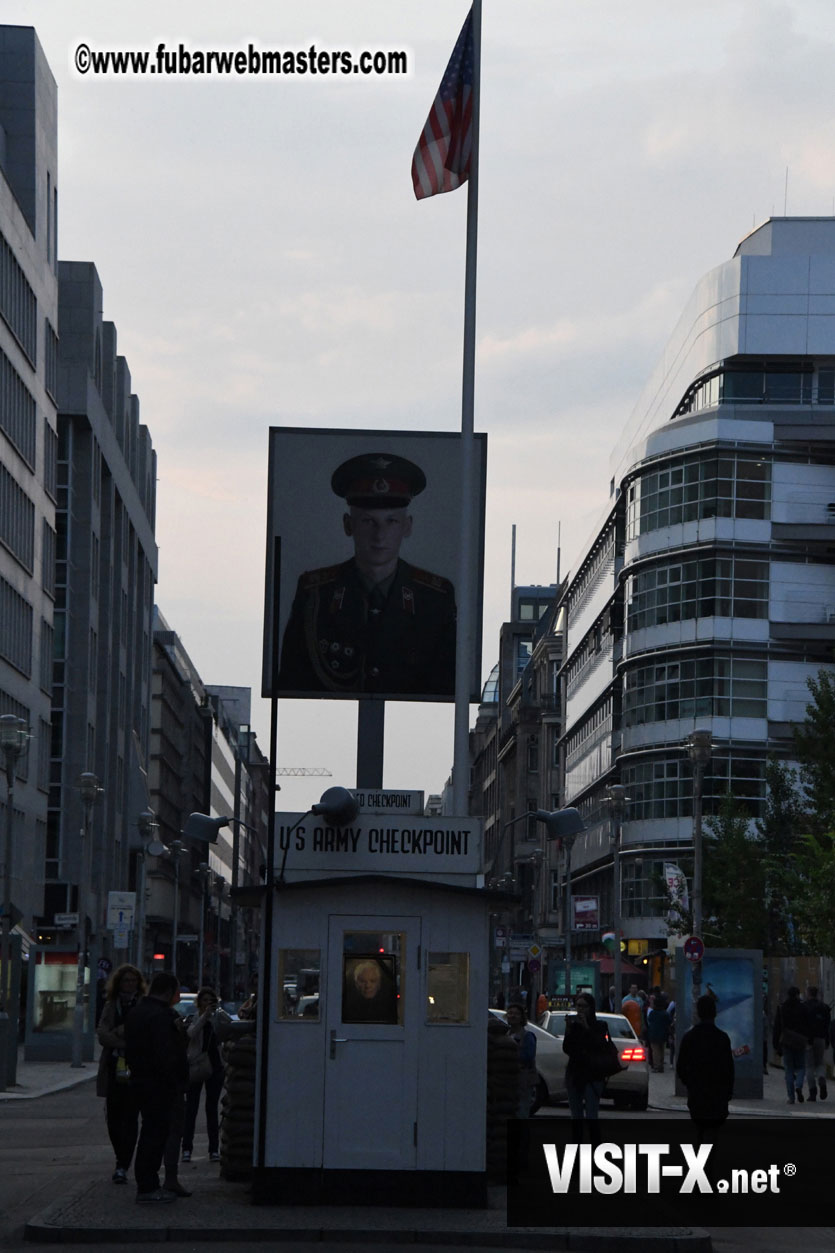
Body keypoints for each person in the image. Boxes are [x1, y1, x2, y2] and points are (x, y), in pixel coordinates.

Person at [277, 452, 456, 696]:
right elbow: (291, 682)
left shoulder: (434, 599)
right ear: (348, 525)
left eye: (391, 521)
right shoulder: (315, 595)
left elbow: (447, 685)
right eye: (368, 522)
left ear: (407, 526)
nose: (379, 535)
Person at [124, 970, 189, 1204]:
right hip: (159, 1084)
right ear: (170, 991)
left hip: (140, 1080)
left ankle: (148, 1183)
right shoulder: (162, 1016)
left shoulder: (137, 1012)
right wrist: (175, 1079)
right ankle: (148, 1186)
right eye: (177, 991)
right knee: (155, 1134)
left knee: (149, 1133)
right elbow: (167, 1054)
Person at [96, 963, 146, 1184]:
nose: (130, 984)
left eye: (133, 981)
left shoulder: (142, 1005)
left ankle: (123, 1164)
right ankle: (120, 1156)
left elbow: (141, 1034)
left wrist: (121, 1034)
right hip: (114, 1065)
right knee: (114, 1117)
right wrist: (121, 1039)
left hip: (136, 1067)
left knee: (131, 1116)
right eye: (126, 980)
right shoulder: (111, 1005)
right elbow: (103, 1034)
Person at [676, 994, 735, 1134]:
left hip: (698, 1093)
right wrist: (728, 1091)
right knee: (714, 1131)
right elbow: (729, 1068)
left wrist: (689, 1083)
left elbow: (680, 1066)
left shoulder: (689, 1037)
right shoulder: (722, 1038)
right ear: (714, 1013)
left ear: (698, 1013)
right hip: (717, 1094)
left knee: (701, 1130)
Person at [562, 993, 618, 1136]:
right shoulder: (574, 1027)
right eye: (578, 1006)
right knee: (576, 1116)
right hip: (575, 1074)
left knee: (592, 1116)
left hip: (593, 1076)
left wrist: (587, 1027)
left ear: (591, 1008)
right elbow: (567, 1049)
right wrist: (568, 1030)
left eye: (584, 1006)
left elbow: (600, 1045)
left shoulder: (600, 1026)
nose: (580, 1009)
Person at [181, 987, 225, 1163]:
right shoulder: (195, 1019)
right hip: (197, 1066)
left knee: (212, 1109)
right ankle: (186, 1148)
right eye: (205, 1001)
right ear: (199, 1003)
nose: (208, 1004)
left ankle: (214, 1149)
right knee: (191, 1108)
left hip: (215, 1068)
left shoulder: (218, 1018)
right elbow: (191, 1033)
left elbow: (227, 1031)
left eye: (211, 1001)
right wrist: (204, 1016)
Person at [772, 985, 808, 1105]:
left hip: (787, 1041)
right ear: (798, 995)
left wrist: (775, 1043)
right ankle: (798, 1085)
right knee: (802, 1067)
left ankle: (791, 1097)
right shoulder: (803, 1008)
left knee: (789, 1069)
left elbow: (777, 1027)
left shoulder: (782, 1008)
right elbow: (809, 1025)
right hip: (800, 1041)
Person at [505, 1002, 537, 1118]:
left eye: (516, 1014)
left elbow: (528, 1057)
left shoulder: (528, 1036)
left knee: (521, 1112)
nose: (512, 1016)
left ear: (522, 1018)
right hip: (509, 1080)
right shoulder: (505, 1035)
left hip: (523, 1081)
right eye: (510, 1013)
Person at [342, 958, 398, 1023]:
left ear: (379, 984)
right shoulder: (347, 1008)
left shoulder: (388, 1008)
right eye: (362, 981)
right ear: (356, 983)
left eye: (372, 981)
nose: (367, 986)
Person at [802, 986, 831, 1101]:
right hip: (821, 1039)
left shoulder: (805, 1007)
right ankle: (822, 1079)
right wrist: (827, 1040)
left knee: (809, 1066)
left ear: (808, 994)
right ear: (817, 994)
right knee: (820, 1063)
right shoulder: (824, 1007)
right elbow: (827, 1026)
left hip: (808, 1040)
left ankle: (812, 1092)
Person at [646, 992, 672, 1073]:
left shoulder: (653, 1013)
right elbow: (669, 1022)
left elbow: (649, 1021)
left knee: (655, 1051)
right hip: (663, 1035)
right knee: (662, 1051)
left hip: (654, 1034)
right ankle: (661, 1066)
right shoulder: (665, 1013)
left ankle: (656, 1066)